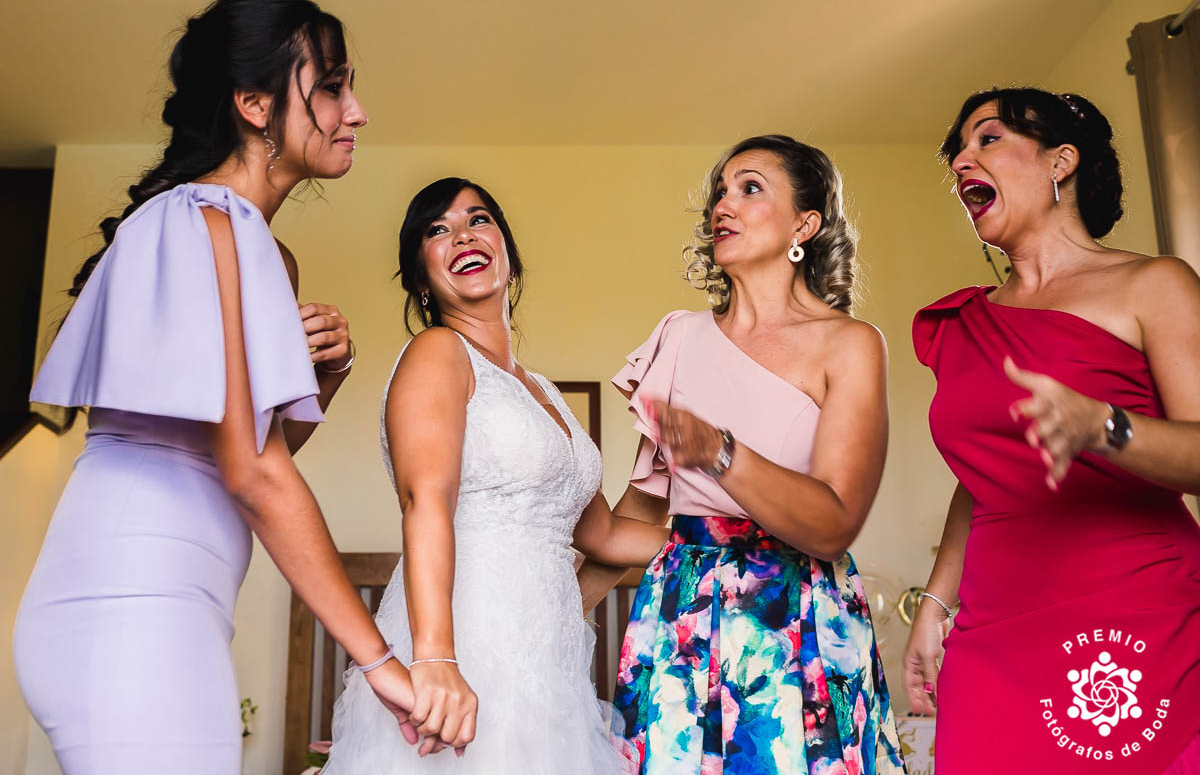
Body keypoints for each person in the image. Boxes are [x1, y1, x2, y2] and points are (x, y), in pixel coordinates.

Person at [15, 0, 417, 774]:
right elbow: (251, 472)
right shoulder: (204, 221)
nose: (357, 109)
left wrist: (319, 384)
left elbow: (235, 455)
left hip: (171, 607)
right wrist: (379, 661)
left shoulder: (258, 246)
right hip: (128, 604)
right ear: (255, 104)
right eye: (331, 85)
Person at [578, 135, 907, 774]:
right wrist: (552, 624)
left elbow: (835, 525)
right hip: (680, 622)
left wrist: (722, 452)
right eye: (720, 192)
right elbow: (636, 519)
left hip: (798, 619)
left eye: (750, 188)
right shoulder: (677, 338)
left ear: (804, 225)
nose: (723, 205)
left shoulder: (850, 345)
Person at [903, 87, 1200, 773]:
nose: (961, 162)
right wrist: (934, 604)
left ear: (1060, 161)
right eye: (958, 151)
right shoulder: (969, 321)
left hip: (1134, 608)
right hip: (993, 628)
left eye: (988, 139)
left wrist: (1106, 426)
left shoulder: (1152, 284)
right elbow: (984, 480)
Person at [324, 177, 660, 773]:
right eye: (437, 230)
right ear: (419, 279)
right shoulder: (437, 353)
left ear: (506, 246)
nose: (462, 236)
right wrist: (436, 660)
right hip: (463, 647)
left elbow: (603, 535)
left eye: (477, 220)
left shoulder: (545, 392)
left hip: (547, 667)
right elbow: (424, 500)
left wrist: (727, 539)